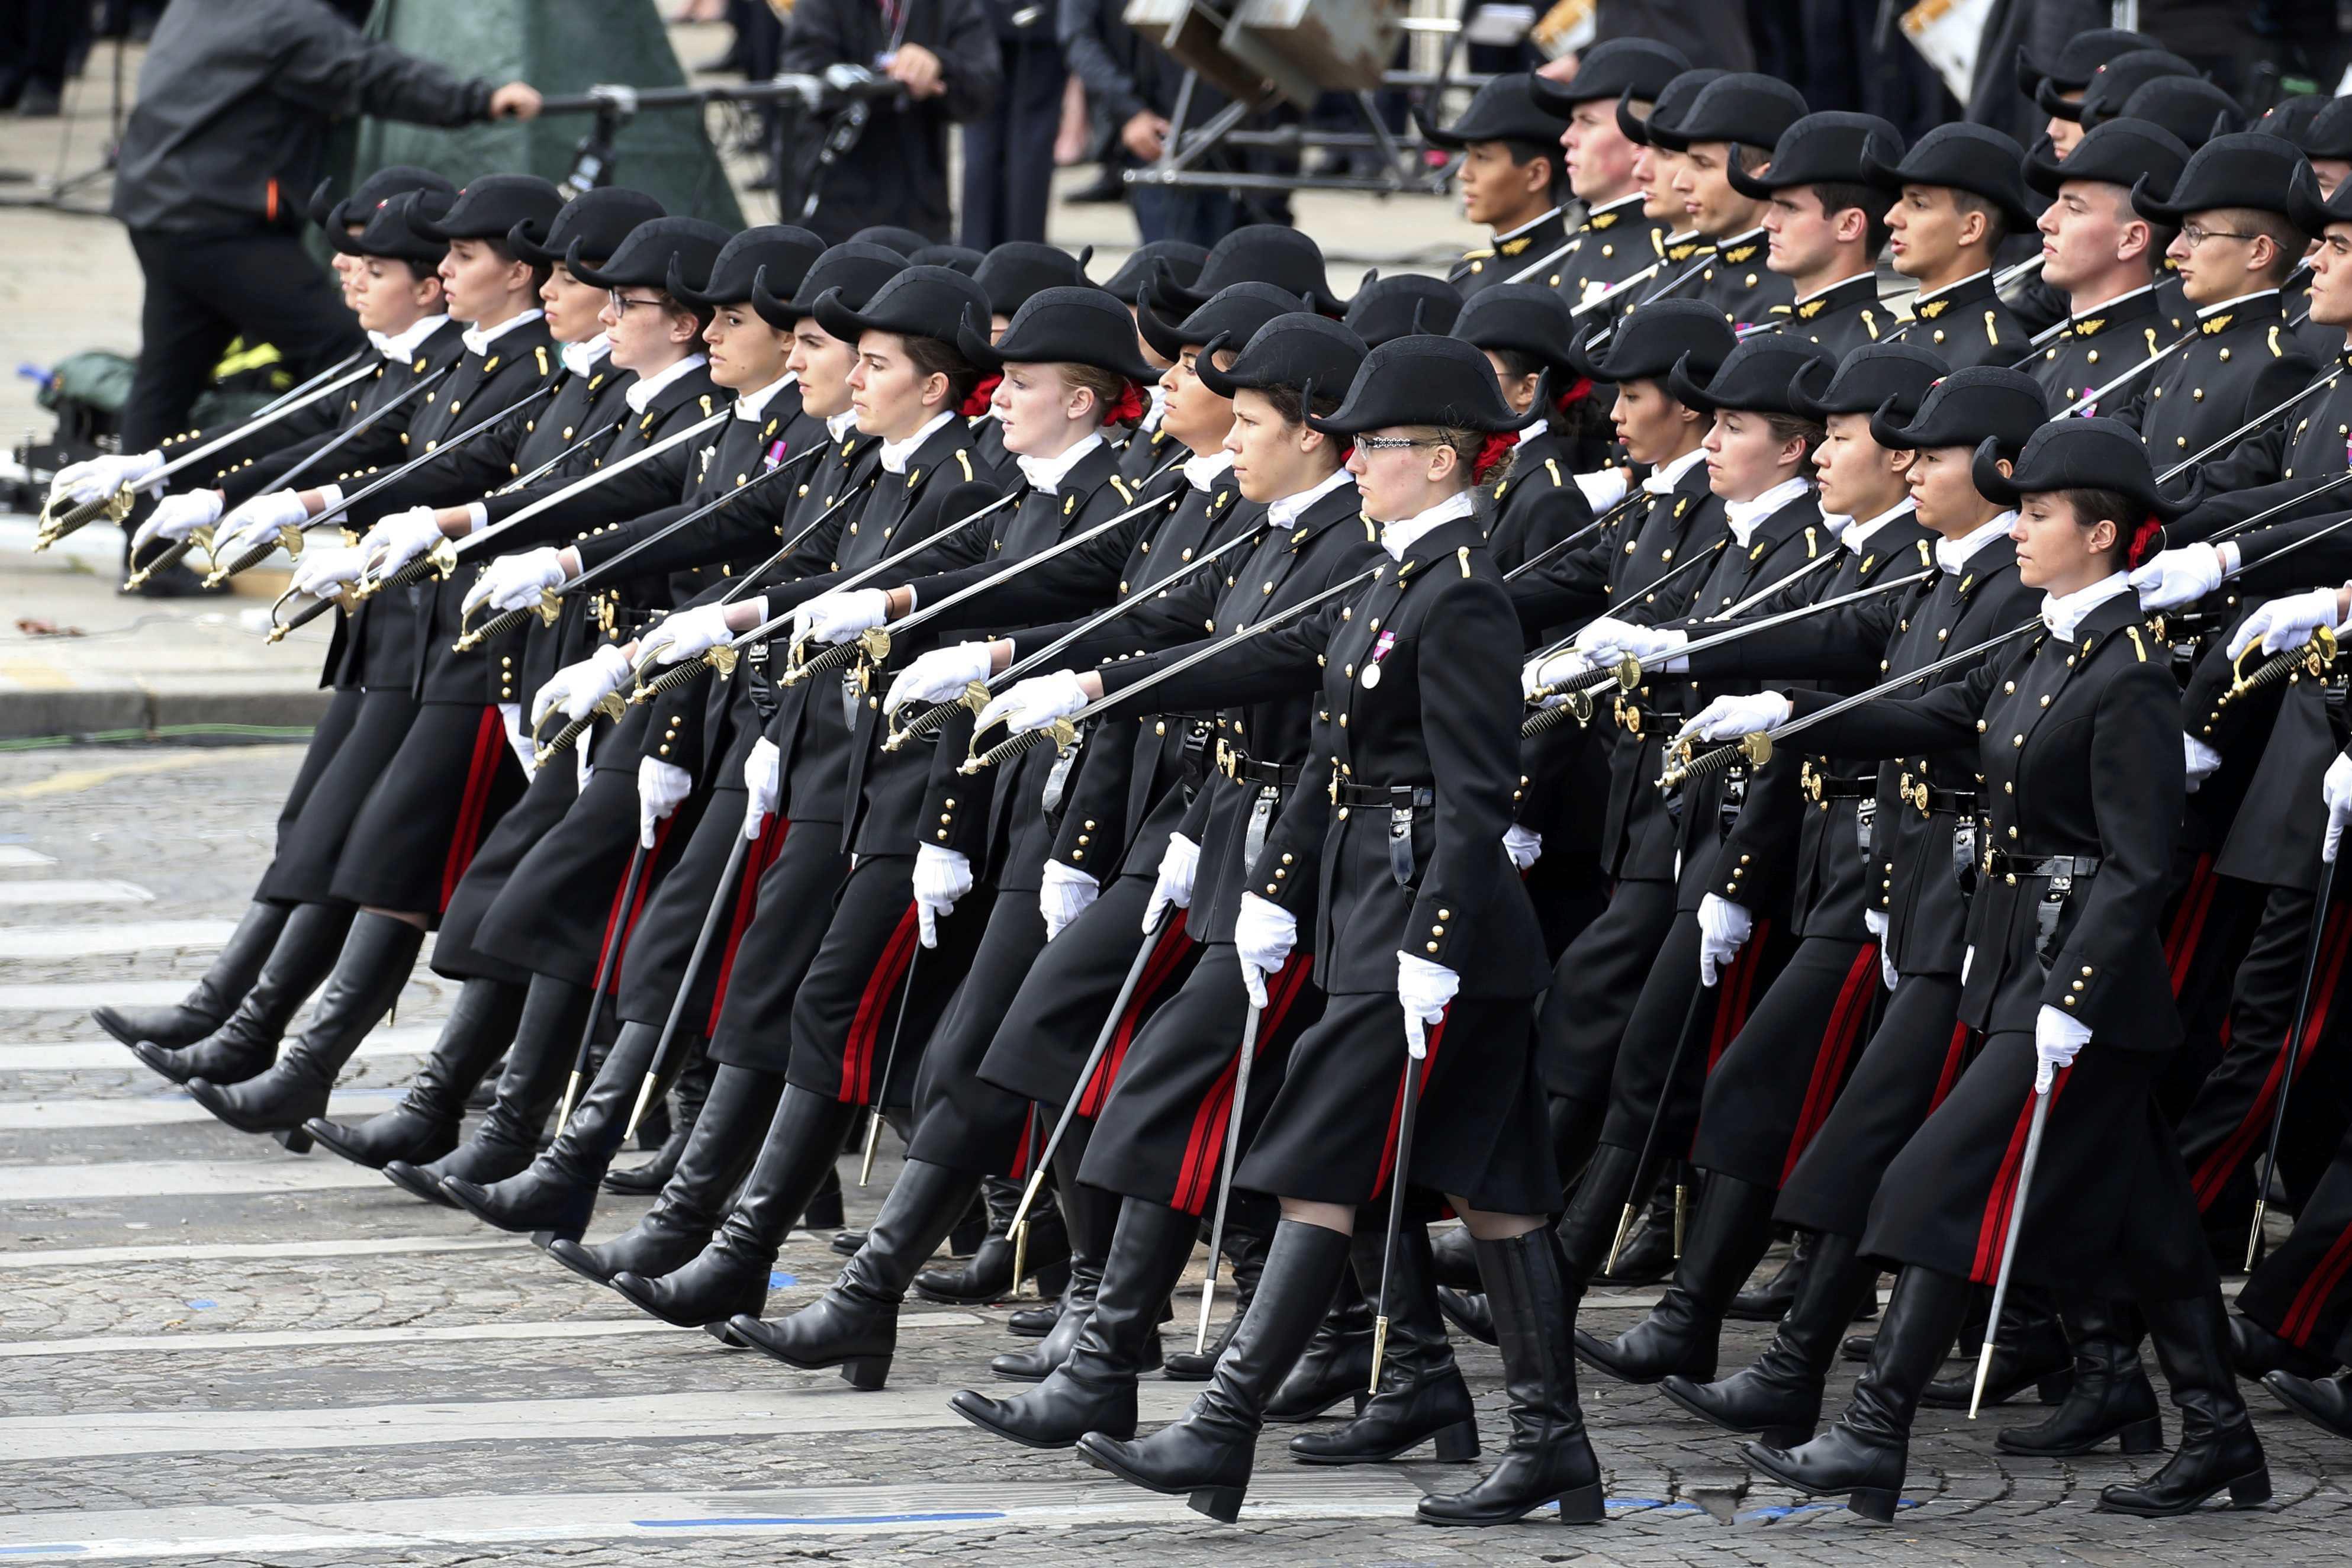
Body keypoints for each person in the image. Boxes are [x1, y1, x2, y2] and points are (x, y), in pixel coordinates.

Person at [985, 335, 1591, 1527]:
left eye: (1376, 445)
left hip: (1429, 930)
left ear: (1439, 458)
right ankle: (1554, 1444)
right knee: (1501, 1193)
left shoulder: (1461, 590)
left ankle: (1221, 1433)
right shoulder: (1392, 572)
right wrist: (1108, 690)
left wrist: (1436, 938)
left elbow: (1477, 794)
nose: (1356, 461)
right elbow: (1323, 734)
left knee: (1319, 1161)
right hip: (1373, 903)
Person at [1697, 418, 2270, 1521]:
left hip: (2073, 985)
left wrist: (2068, 998)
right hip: (2010, 960)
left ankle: (1872, 1431)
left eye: (2039, 514)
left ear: (2100, 534)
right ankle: (2220, 1435)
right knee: (2151, 1228)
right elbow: (1934, 719)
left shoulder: (2131, 674)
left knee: (1932, 1179)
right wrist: (1792, 717)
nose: (2018, 529)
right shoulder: (2042, 645)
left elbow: (2139, 864)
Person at [110, 0, 540, 586]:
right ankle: (367, 506)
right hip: (223, 215)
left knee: (167, 375)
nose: (348, 266)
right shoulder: (284, 16)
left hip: (162, 207)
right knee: (352, 359)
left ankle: (146, 540)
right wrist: (480, 98)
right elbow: (369, 72)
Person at [779, 0, 1002, 244]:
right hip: (834, 210)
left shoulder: (949, 7)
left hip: (922, 213)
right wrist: (885, 76)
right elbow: (802, 75)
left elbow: (984, 84)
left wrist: (939, 66)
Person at [2023, 117, 2192, 410]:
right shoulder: (2049, 353)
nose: (2045, 221)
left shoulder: (2160, 368)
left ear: (2131, 240)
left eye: (2074, 208)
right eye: (2056, 203)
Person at [1530, 37, 1689, 308]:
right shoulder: (1568, 250)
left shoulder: (1667, 255)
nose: (1567, 138)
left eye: (1588, 123)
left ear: (1640, 138)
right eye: (1572, 122)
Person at [1865, 123, 2033, 369]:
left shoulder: (1996, 351)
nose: (1892, 217)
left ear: (1971, 228)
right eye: (1900, 200)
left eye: (1919, 204)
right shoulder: (1897, 335)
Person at [1647, 73, 1807, 330]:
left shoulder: (1794, 293)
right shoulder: (1691, 273)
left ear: (1760, 177)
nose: (1681, 183)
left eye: (1703, 164)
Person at [1739, 111, 1906, 355]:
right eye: (1772, 206)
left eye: (1790, 208)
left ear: (1849, 225)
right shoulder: (1769, 332)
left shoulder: (1881, 351)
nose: (1767, 222)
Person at [1415, 74, 1571, 300]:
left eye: (1481, 157)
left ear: (1536, 175)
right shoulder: (1467, 274)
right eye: (1467, 156)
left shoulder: (1568, 276)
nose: (1463, 173)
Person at [959, 0, 1066, 249]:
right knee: (1029, 145)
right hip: (1041, 19)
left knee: (982, 138)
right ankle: (1023, 257)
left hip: (982, 16)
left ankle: (976, 255)